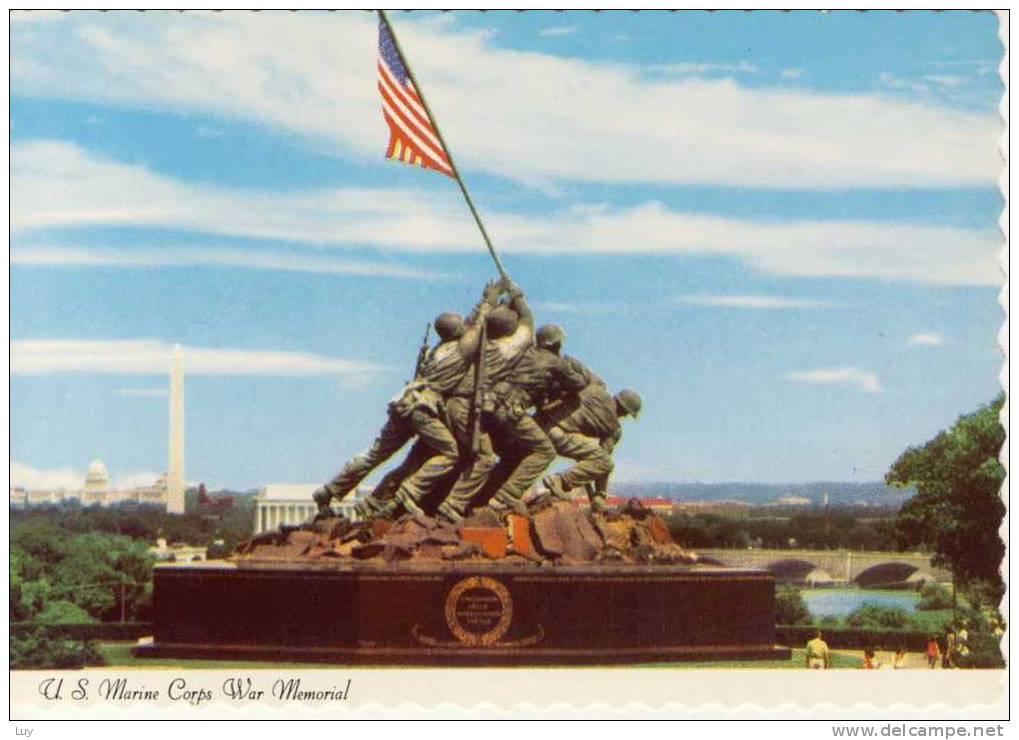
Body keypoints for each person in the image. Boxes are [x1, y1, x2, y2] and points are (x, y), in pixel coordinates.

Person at [312, 281, 501, 517]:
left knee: (375, 454)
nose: (465, 325)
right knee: (450, 452)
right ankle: (408, 492)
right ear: (457, 331)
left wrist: (484, 301)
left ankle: (329, 491)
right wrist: (491, 299)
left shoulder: (437, 350)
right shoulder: (459, 353)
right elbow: (478, 326)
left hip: (404, 403)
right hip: (423, 408)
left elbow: (471, 325)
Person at [436, 281, 537, 523]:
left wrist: (489, 299)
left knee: (464, 454)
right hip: (466, 409)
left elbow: (471, 323)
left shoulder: (466, 342)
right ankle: (452, 506)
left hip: (448, 406)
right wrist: (519, 297)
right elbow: (528, 324)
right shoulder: (504, 349)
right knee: (485, 458)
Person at [539, 384, 642, 511]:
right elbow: (602, 462)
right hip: (557, 434)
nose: (625, 416)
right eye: (626, 413)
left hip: (539, 423)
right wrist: (600, 495)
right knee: (605, 462)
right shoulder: (613, 426)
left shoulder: (595, 390)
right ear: (623, 409)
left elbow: (589, 462)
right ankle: (559, 481)